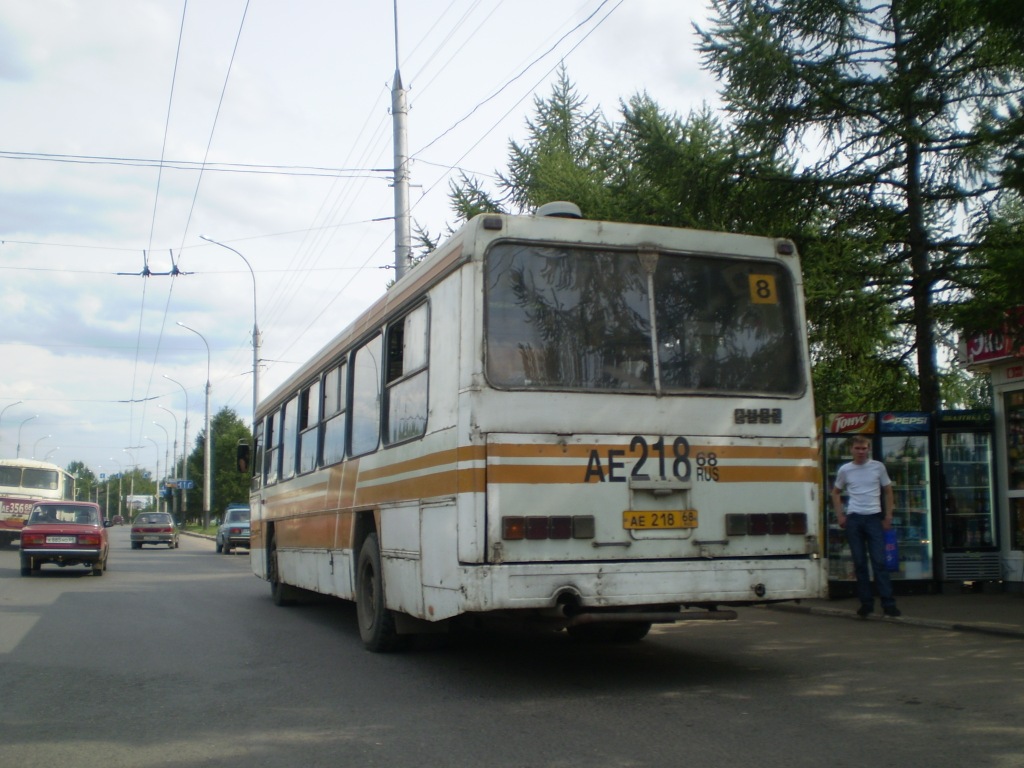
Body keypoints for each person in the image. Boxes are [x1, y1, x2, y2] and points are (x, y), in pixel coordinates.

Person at [831, 435, 901, 618]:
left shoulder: (878, 467)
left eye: (864, 448)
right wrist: (840, 514)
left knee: (879, 562)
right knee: (860, 563)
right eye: (857, 448)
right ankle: (866, 603)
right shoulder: (845, 469)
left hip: (873, 518)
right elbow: (835, 492)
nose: (861, 452)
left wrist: (888, 515)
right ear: (851, 450)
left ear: (868, 449)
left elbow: (888, 490)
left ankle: (888, 603)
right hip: (854, 518)